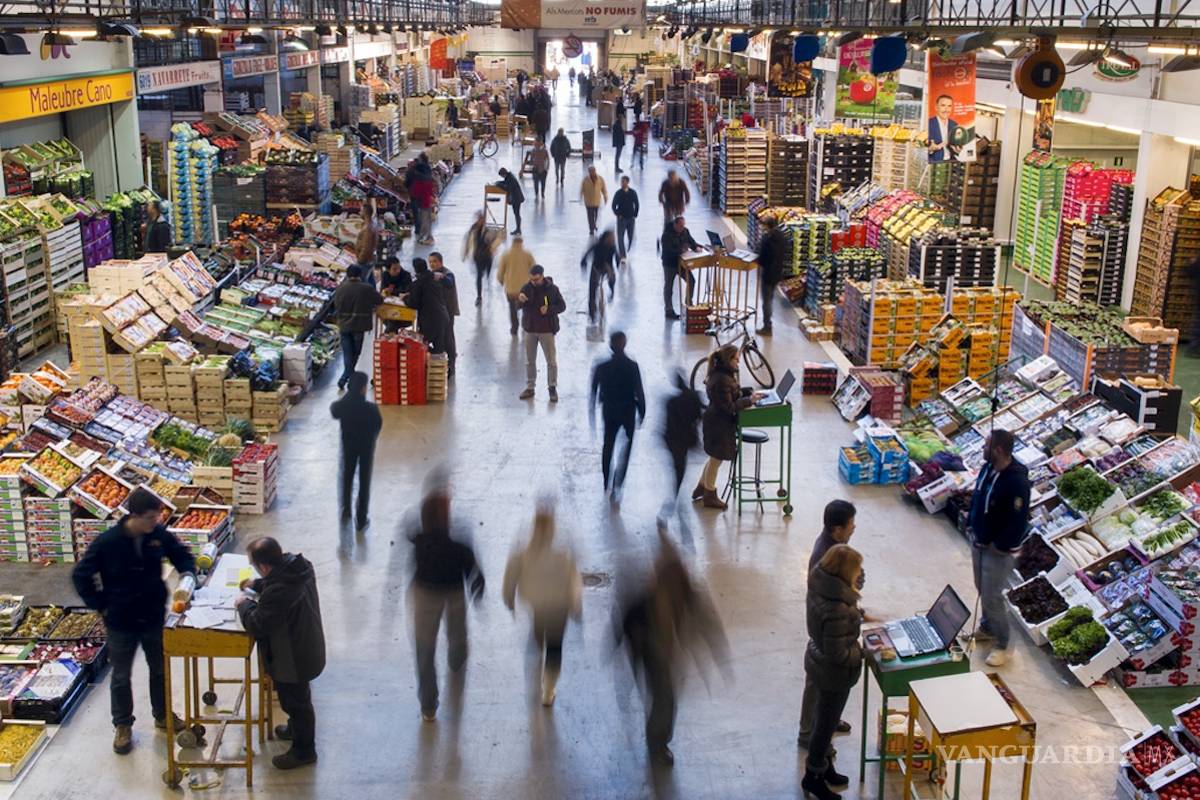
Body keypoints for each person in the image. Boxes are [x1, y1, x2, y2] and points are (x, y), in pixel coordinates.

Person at [72, 488, 196, 755]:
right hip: (121, 619)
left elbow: (181, 554)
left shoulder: (157, 535)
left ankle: (162, 715)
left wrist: (189, 572)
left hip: (152, 614)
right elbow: (81, 575)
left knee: (159, 668)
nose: (156, 523)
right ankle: (123, 725)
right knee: (120, 675)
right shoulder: (108, 543)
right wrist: (100, 604)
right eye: (151, 518)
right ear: (135, 516)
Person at [618, 532, 729, 766]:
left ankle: (658, 741)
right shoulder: (646, 599)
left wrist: (718, 653)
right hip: (653, 655)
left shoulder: (687, 592)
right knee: (664, 700)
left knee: (664, 699)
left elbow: (707, 622)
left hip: (667, 654)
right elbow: (626, 623)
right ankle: (656, 744)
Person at [235, 537, 325, 770]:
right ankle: (296, 729)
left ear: (264, 566)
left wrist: (243, 604)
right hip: (305, 645)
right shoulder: (298, 569)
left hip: (292, 657)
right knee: (298, 698)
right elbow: (278, 582)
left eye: (256, 567)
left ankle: (304, 751)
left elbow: (257, 623)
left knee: (296, 703)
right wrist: (256, 584)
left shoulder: (282, 590)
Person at [408, 482, 485, 722]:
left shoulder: (420, 541)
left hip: (425, 594)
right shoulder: (458, 544)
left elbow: (412, 542)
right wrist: (477, 589)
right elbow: (474, 571)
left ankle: (428, 706)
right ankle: (456, 661)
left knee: (425, 650)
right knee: (457, 633)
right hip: (453, 594)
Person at [502, 502, 582, 706]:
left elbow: (510, 576)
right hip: (559, 608)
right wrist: (575, 604)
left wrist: (509, 598)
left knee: (538, 634)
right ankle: (548, 690)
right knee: (555, 647)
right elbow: (573, 580)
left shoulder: (524, 551)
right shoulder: (563, 553)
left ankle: (537, 656)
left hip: (537, 605)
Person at [802, 545, 864, 800]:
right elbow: (838, 654)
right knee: (824, 727)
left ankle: (825, 769)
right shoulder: (838, 608)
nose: (860, 575)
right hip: (834, 675)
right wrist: (864, 653)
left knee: (824, 720)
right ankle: (814, 777)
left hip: (818, 664)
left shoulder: (821, 586)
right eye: (857, 570)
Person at [797, 500, 858, 752]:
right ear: (837, 528)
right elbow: (837, 594)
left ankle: (826, 722)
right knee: (821, 681)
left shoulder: (834, 546)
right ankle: (810, 732)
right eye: (851, 524)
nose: (854, 528)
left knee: (822, 684)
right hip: (825, 633)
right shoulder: (826, 554)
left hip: (823, 627)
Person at [967, 429, 1031, 667]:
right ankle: (987, 626)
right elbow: (979, 497)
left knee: (993, 596)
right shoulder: (988, 468)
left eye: (986, 447)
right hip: (979, 541)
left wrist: (1001, 545)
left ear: (999, 450)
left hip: (997, 551)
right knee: (981, 587)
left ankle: (1004, 645)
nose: (982, 450)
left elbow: (1018, 520)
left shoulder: (1017, 482)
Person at [696, 346, 758, 510]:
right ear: (727, 360)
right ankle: (709, 494)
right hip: (719, 425)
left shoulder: (722, 375)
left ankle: (702, 486)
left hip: (716, 422)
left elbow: (731, 394)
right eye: (736, 359)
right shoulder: (722, 379)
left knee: (713, 459)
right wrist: (749, 401)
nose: (738, 362)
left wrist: (748, 393)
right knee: (716, 460)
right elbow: (729, 406)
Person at [590, 331, 646, 497]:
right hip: (628, 410)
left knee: (608, 445)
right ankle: (618, 483)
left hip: (609, 410)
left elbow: (593, 394)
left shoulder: (601, 367)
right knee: (627, 446)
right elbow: (639, 392)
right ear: (625, 344)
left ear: (610, 345)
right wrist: (642, 412)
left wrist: (592, 417)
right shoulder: (632, 366)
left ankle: (606, 479)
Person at [329, 371, 382, 530]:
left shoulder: (343, 407)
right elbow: (377, 426)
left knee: (347, 478)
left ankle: (346, 513)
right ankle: (361, 518)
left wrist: (348, 397)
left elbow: (334, 410)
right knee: (364, 482)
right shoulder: (371, 409)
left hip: (348, 447)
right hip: (366, 449)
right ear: (363, 389)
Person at [518, 265, 566, 402]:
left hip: (547, 331)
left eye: (536, 279)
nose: (534, 282)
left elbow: (562, 306)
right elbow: (518, 306)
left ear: (542, 276)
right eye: (532, 279)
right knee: (529, 361)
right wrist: (520, 300)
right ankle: (530, 387)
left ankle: (552, 387)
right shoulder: (526, 288)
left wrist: (550, 309)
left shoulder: (553, 289)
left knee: (551, 361)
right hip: (530, 330)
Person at [332, 265, 383, 391]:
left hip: (344, 325)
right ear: (360, 275)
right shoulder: (366, 288)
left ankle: (347, 377)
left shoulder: (340, 288)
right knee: (356, 353)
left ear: (348, 275)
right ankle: (345, 378)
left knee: (348, 353)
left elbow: (335, 305)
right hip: (359, 325)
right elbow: (379, 300)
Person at [661, 371, 704, 515]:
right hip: (686, 440)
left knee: (677, 468)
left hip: (673, 441)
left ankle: (673, 497)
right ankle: (674, 495)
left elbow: (667, 424)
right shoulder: (694, 396)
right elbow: (698, 417)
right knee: (680, 470)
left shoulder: (670, 402)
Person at [404, 258, 451, 359]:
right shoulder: (436, 279)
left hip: (429, 320)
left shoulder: (417, 284)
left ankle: (426, 370)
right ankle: (438, 371)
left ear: (415, 269)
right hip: (443, 316)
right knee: (439, 348)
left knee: (423, 346)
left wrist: (405, 298)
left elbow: (413, 303)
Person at [660, 216, 701, 319]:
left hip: (682, 264)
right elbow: (668, 251)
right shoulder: (666, 236)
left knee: (691, 280)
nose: (682, 228)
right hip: (670, 264)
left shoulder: (685, 231)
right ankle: (668, 310)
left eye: (683, 226)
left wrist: (696, 247)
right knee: (669, 287)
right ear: (675, 225)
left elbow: (691, 242)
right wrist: (681, 250)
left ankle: (688, 302)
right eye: (680, 226)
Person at [498, 235, 536, 336]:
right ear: (522, 242)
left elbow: (500, 272)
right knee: (525, 307)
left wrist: (501, 281)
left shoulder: (506, 254)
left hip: (511, 290)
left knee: (512, 309)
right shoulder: (528, 255)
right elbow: (534, 270)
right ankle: (525, 325)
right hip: (525, 290)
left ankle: (514, 328)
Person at [429, 252, 459, 378]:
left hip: (448, 311)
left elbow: (449, 282)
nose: (432, 264)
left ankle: (451, 364)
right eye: (430, 262)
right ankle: (441, 363)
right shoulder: (431, 275)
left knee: (448, 338)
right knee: (438, 337)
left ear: (441, 262)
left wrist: (440, 277)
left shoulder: (447, 274)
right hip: (437, 312)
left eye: (434, 261)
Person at [756, 215, 788, 334]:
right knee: (770, 298)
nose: (762, 228)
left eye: (763, 225)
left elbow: (763, 258)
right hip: (777, 273)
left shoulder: (768, 239)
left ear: (767, 226)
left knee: (767, 301)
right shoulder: (781, 236)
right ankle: (767, 324)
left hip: (768, 274)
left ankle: (767, 326)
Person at [582, 230, 618, 324]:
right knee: (592, 290)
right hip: (596, 268)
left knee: (612, 277)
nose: (613, 239)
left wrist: (618, 263)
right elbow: (587, 254)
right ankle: (592, 314)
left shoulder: (612, 246)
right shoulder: (597, 245)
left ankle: (612, 291)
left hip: (607, 267)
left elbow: (617, 256)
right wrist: (584, 263)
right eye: (611, 237)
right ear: (606, 238)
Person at [463, 212, 496, 306]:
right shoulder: (473, 230)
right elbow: (468, 241)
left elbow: (495, 239)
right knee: (479, 276)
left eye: (481, 219)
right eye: (478, 219)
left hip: (488, 256)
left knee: (487, 273)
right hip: (478, 256)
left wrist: (492, 244)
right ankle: (479, 296)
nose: (480, 221)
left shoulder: (488, 230)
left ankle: (487, 279)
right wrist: (466, 252)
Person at [611, 175, 639, 262]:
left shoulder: (632, 192)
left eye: (624, 181)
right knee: (620, 237)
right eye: (621, 181)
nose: (622, 183)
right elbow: (613, 205)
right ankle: (622, 255)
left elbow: (637, 203)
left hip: (631, 218)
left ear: (627, 182)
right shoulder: (618, 193)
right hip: (621, 219)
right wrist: (617, 214)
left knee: (631, 236)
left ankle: (628, 248)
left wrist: (635, 214)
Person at [409, 162, 437, 247]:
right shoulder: (427, 179)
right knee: (426, 220)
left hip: (423, 203)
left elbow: (415, 192)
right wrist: (433, 198)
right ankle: (423, 236)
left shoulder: (419, 180)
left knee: (425, 221)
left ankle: (429, 238)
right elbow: (431, 191)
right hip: (427, 202)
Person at [928, 94, 960, 163]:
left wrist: (957, 150)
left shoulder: (955, 125)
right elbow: (918, 150)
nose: (946, 109)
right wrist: (930, 149)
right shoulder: (928, 124)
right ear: (936, 107)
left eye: (949, 106)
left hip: (951, 161)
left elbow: (956, 147)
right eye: (943, 105)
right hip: (934, 162)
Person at [355, 201, 380, 285]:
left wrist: (360, 260)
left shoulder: (368, 228)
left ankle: (368, 297)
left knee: (362, 282)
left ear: (365, 213)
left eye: (360, 211)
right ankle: (374, 295)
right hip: (370, 258)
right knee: (370, 279)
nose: (359, 213)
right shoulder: (371, 224)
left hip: (366, 259)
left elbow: (366, 247)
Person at [495, 168, 525, 236]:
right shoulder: (509, 176)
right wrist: (499, 183)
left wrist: (499, 185)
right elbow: (506, 183)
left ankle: (518, 229)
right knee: (516, 214)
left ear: (503, 174)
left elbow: (507, 187)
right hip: (517, 198)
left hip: (516, 198)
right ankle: (518, 229)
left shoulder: (510, 178)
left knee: (517, 214)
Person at [580, 165, 608, 237]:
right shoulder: (585, 180)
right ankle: (591, 229)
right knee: (590, 216)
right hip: (588, 202)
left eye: (593, 171)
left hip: (597, 201)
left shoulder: (600, 179)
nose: (591, 172)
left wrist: (605, 197)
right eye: (590, 171)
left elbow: (604, 189)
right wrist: (581, 198)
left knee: (597, 215)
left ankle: (595, 225)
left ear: (595, 171)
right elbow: (582, 189)